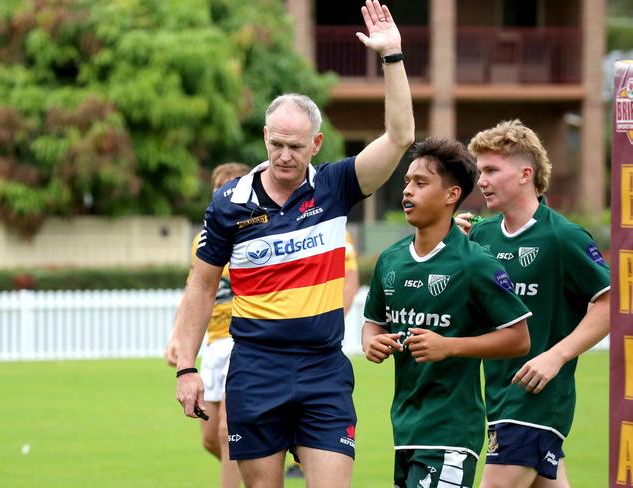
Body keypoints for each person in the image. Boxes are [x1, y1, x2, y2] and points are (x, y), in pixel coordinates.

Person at [175, 2, 415, 487]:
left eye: (296, 146)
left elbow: (400, 136)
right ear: (265, 136)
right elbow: (201, 288)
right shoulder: (228, 203)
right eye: (276, 144)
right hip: (255, 369)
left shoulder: (336, 187)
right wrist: (186, 367)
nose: (285, 156)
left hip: (322, 369)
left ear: (317, 144)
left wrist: (392, 57)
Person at [362, 138, 532, 488]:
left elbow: (518, 339)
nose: (407, 191)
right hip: (405, 428)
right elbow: (372, 324)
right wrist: (372, 343)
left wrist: (450, 346)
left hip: (452, 432)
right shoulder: (391, 260)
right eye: (407, 181)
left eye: (421, 183)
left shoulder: (475, 263)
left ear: (451, 195)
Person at [458, 120, 610, 488]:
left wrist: (555, 357)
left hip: (537, 400)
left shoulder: (563, 237)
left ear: (526, 174)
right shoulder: (481, 235)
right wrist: (451, 246)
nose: (481, 181)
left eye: (492, 170)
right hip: (497, 396)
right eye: (480, 171)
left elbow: (612, 303)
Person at [166, 163, 250, 488]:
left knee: (228, 431)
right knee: (210, 439)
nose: (222, 190)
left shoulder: (256, 230)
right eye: (218, 185)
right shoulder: (206, 238)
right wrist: (176, 336)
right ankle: (261, 461)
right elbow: (195, 290)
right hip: (214, 344)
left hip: (243, 341)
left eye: (230, 184)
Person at [284, 230, 360, 480]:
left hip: (320, 349)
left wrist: (330, 320)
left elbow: (351, 277)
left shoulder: (333, 225)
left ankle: (307, 458)